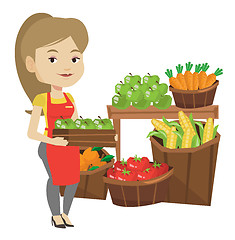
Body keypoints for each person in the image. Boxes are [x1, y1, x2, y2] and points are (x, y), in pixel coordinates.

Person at [15, 13, 89, 228]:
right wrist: (54, 141)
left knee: (74, 180)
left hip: (69, 146)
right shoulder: (42, 99)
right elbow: (31, 133)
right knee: (56, 180)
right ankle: (55, 214)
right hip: (50, 146)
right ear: (32, 64)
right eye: (53, 59)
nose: (67, 67)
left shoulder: (69, 98)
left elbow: (76, 125)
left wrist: (89, 135)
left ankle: (66, 213)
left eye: (74, 59)